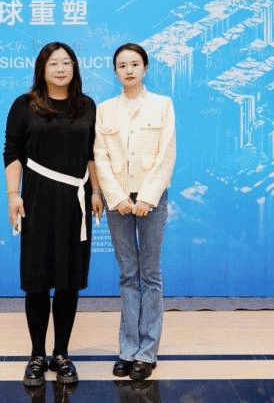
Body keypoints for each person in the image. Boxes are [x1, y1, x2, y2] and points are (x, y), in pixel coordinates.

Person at [3, 41, 103, 387]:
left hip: (76, 201)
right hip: (37, 199)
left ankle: (61, 354)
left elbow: (93, 153)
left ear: (75, 67)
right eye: (53, 64)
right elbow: (12, 152)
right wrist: (13, 195)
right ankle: (36, 355)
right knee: (37, 280)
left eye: (66, 63)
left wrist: (97, 191)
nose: (61, 69)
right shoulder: (25, 105)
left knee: (67, 281)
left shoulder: (87, 106)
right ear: (42, 70)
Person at [94, 43, 176, 381]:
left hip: (150, 199)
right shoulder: (104, 110)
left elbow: (166, 153)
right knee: (128, 273)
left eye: (134, 64)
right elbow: (100, 156)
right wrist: (117, 197)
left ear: (145, 68)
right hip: (118, 201)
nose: (128, 70)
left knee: (150, 274)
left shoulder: (162, 104)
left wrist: (147, 197)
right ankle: (127, 350)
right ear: (115, 71)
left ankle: (147, 352)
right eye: (122, 65)